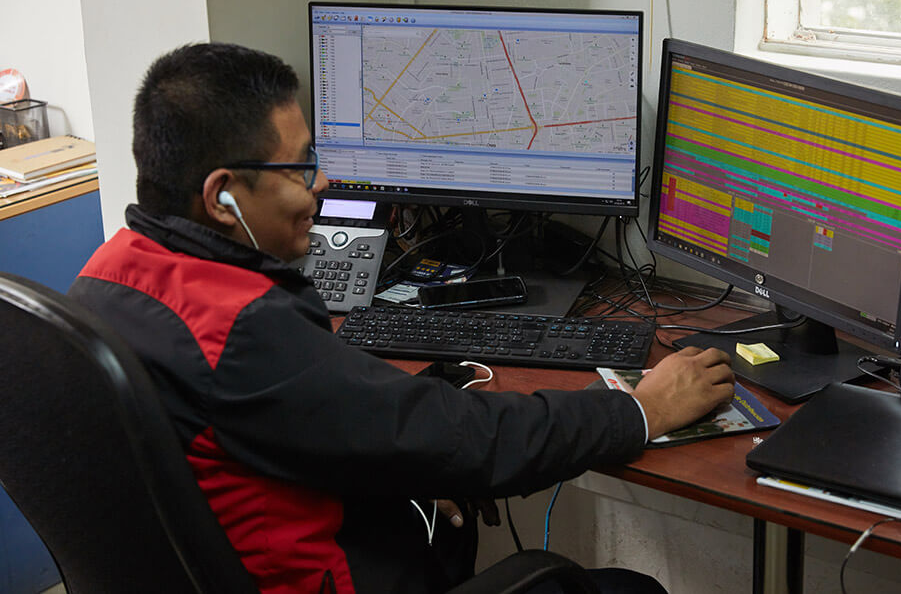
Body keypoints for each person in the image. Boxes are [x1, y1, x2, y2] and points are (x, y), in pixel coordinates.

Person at [68, 42, 735, 594]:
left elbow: (286, 430)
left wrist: (408, 462)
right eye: (300, 167)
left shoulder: (107, 274)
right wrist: (640, 408)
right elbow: (477, 441)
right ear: (221, 196)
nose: (322, 183)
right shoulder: (240, 332)